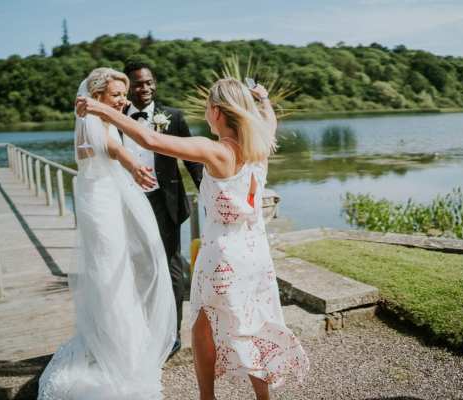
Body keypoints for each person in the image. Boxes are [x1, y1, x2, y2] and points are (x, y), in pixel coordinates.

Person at [76, 77, 309, 400]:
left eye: (206, 109)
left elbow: (149, 139)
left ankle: (206, 398)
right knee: (254, 324)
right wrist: (264, 98)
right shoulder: (260, 144)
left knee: (201, 327)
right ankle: (264, 398)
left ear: (215, 111)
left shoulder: (216, 151)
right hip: (256, 254)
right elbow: (269, 117)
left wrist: (102, 109)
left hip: (222, 255)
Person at [38, 68, 177, 400]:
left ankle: (117, 344)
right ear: (96, 95)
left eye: (123, 94)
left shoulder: (101, 120)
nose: (123, 100)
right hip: (99, 204)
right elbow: (111, 148)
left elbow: (111, 146)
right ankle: (116, 352)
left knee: (117, 271)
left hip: (103, 199)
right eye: (116, 94)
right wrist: (133, 165)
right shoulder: (93, 123)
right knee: (108, 271)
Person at [121, 61, 203, 355]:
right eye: (138, 84)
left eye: (149, 82)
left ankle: (172, 335)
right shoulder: (116, 118)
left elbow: (192, 158)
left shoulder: (173, 116)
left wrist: (207, 191)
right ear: (127, 87)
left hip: (164, 203)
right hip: (127, 205)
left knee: (171, 267)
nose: (145, 88)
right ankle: (140, 329)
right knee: (134, 267)